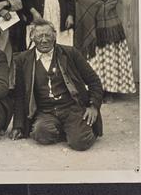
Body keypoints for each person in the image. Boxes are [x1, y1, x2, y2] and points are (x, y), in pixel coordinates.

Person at [9, 19, 103, 151]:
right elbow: (19, 94)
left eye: (48, 35)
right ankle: (67, 129)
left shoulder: (70, 53)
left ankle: (78, 129)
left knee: (80, 143)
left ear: (54, 35)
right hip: (45, 112)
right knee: (40, 133)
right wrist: (18, 126)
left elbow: (94, 81)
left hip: (72, 109)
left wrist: (94, 106)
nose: (44, 40)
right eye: (39, 36)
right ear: (31, 37)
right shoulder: (22, 60)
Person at [74, 0, 136, 97]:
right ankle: (96, 92)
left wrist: (103, 7)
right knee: (95, 60)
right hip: (93, 26)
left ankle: (110, 91)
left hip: (111, 25)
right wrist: (101, 6)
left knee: (111, 60)